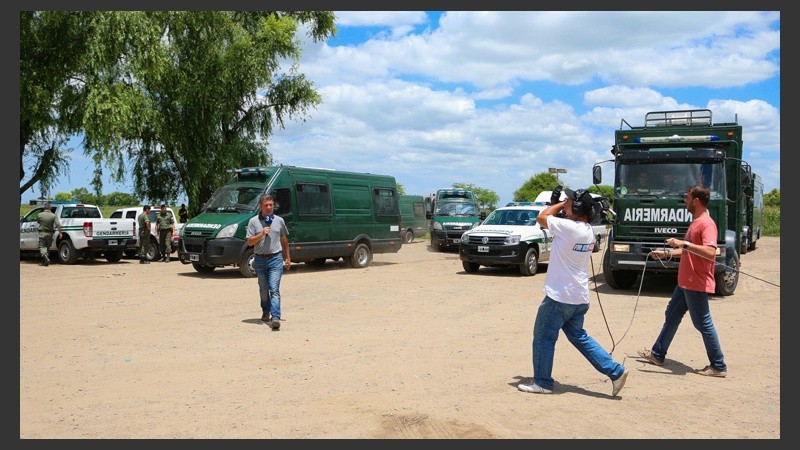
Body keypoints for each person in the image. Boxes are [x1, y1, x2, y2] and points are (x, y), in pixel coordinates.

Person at [518, 186, 628, 396]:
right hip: (578, 297)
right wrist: (567, 204)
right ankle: (616, 371)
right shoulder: (586, 231)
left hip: (560, 297)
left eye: (570, 202)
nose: (566, 204)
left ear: (577, 207)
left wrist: (559, 204)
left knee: (543, 336)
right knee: (579, 336)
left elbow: (542, 217)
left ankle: (542, 382)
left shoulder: (570, 228)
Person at [638, 184, 727, 377]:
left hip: (695, 282)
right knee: (672, 315)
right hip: (685, 281)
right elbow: (689, 250)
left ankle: (718, 365)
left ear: (696, 200)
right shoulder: (696, 222)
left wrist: (684, 242)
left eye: (687, 197)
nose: (685, 201)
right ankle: (657, 354)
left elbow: (711, 252)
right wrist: (666, 252)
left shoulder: (706, 223)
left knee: (703, 323)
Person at [246, 194, 291, 330]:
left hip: (276, 259)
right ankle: (266, 311)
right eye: (266, 205)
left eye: (271, 205)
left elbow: (284, 239)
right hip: (259, 259)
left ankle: (275, 317)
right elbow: (249, 241)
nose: (269, 207)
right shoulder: (253, 222)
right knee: (264, 289)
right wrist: (261, 234)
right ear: (261, 206)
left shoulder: (279, 221)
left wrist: (287, 257)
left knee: (274, 288)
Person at [36, 202, 62, 266]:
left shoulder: (39, 215)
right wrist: (60, 233)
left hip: (42, 233)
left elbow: (38, 221)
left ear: (44, 208)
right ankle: (45, 261)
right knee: (48, 247)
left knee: (42, 247)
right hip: (50, 234)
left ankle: (45, 258)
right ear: (50, 208)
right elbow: (58, 225)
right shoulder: (53, 215)